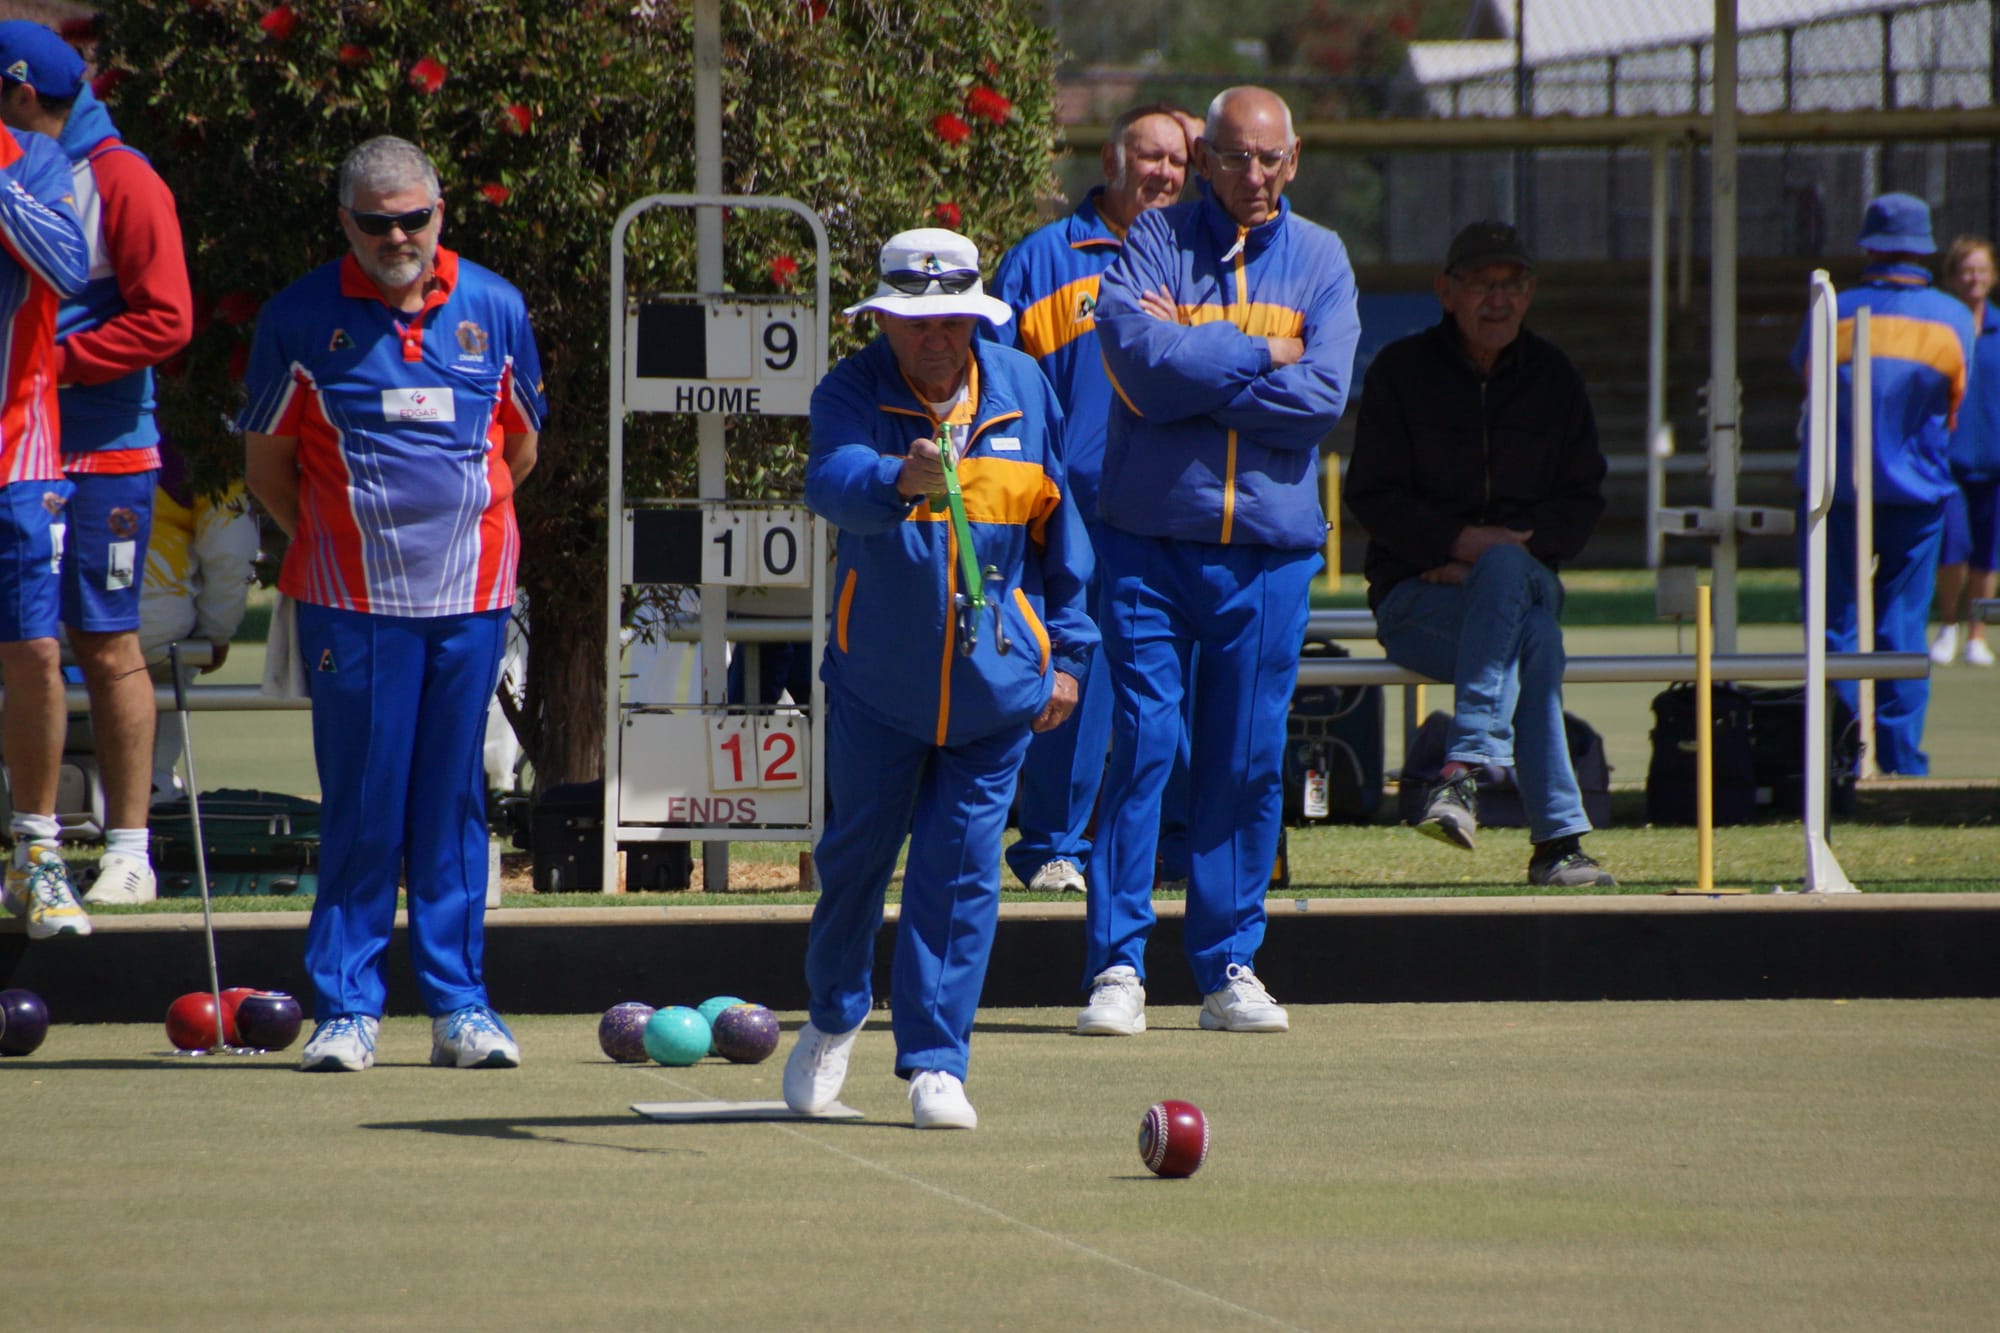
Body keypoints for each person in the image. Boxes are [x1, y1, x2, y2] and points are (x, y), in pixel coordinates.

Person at [241, 136, 543, 1072]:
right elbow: (269, 468)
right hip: (352, 602)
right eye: (377, 222)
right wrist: (339, 545)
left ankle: (461, 1008)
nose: (397, 236)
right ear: (346, 223)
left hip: (471, 598)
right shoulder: (298, 317)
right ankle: (346, 1009)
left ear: (440, 213)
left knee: (453, 800)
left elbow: (519, 447)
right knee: (364, 801)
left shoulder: (495, 306)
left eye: (414, 218)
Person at [781, 227, 1095, 1128]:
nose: (936, 337)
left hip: (998, 687)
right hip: (878, 684)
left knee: (960, 875)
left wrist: (1069, 653)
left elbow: (1060, 528)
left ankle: (936, 1061)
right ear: (882, 320)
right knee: (854, 865)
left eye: (952, 319)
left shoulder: (1025, 385)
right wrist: (897, 477)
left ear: (977, 319)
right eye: (915, 321)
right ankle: (835, 1014)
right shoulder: (850, 388)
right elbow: (831, 482)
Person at [1078, 86, 1358, 1038]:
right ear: (1204, 159)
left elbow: (1321, 398)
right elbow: (1137, 367)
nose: (1254, 175)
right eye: (1235, 157)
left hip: (1269, 556)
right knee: (1145, 746)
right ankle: (1116, 967)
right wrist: (1264, 349)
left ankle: (1228, 965)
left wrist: (1194, 354)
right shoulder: (1154, 240)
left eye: (1270, 158)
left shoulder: (1322, 257)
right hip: (1147, 544)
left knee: (1245, 761)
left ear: (1295, 158)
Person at [1346, 221, 1616, 887]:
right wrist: (1458, 545)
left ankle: (1462, 771)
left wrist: (1503, 557)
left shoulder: (1555, 378)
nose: (1499, 299)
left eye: (1512, 284)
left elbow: (1583, 499)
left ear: (1530, 294)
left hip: (1525, 577)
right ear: (1446, 291)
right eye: (1482, 283)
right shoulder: (1399, 372)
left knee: (1507, 575)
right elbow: (1371, 495)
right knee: (1537, 640)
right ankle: (1558, 845)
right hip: (1419, 601)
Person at [0, 23, 195, 907]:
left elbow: (169, 318)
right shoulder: (29, 161)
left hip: (101, 447)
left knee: (106, 638)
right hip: (20, 444)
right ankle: (34, 848)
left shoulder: (122, 177)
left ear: (21, 96)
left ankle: (129, 848)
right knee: (25, 644)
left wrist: (52, 363)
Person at [989, 102, 1190, 897]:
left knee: (1178, 690)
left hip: (1179, 514)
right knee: (1078, 680)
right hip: (1073, 518)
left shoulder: (1204, 258)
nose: (1165, 173)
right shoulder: (1042, 261)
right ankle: (1051, 847)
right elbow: (995, 387)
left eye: (1178, 160)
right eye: (1150, 156)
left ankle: (1182, 849)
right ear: (1111, 162)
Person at [1789, 193, 1973, 776]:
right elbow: (1954, 403)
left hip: (1832, 493)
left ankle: (1843, 758)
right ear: (1924, 248)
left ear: (1869, 246)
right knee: (1902, 627)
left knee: (1835, 625)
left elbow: (1806, 381)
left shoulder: (1833, 309)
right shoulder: (1952, 317)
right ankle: (1900, 764)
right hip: (1916, 493)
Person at [0, 50, 89, 940]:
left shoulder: (34, 158)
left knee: (32, 650)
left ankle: (35, 853)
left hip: (16, 456)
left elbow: (67, 265)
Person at [138, 439, 257, 798]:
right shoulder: (202, 449)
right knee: (168, 663)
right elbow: (231, 555)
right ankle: (154, 784)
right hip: (148, 627)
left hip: (38, 622)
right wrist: (215, 633)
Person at [1930, 234, 1998, 668]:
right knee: (1952, 548)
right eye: (1966, 270)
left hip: (1995, 464)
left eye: (1981, 269)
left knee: (1987, 555)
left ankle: (1978, 634)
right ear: (1953, 277)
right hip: (1948, 462)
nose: (1974, 277)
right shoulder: (1942, 328)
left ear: (1992, 276)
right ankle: (1949, 625)